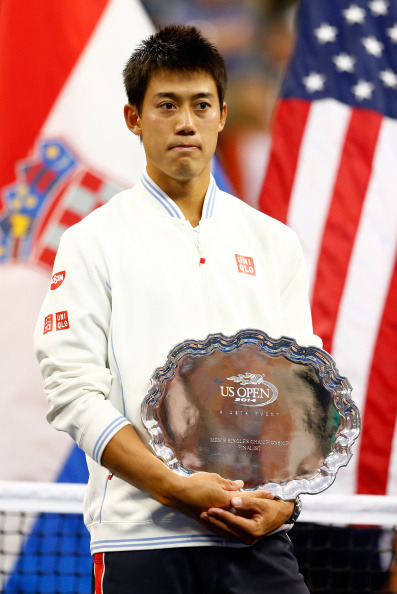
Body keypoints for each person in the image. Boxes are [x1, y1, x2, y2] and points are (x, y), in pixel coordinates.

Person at [35, 25, 320, 593]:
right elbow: (70, 389)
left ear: (221, 114)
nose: (185, 122)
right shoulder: (91, 242)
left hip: (257, 539)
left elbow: (301, 397)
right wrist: (171, 487)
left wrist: (284, 507)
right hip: (143, 542)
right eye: (166, 105)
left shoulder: (275, 242)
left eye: (200, 105)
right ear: (134, 119)